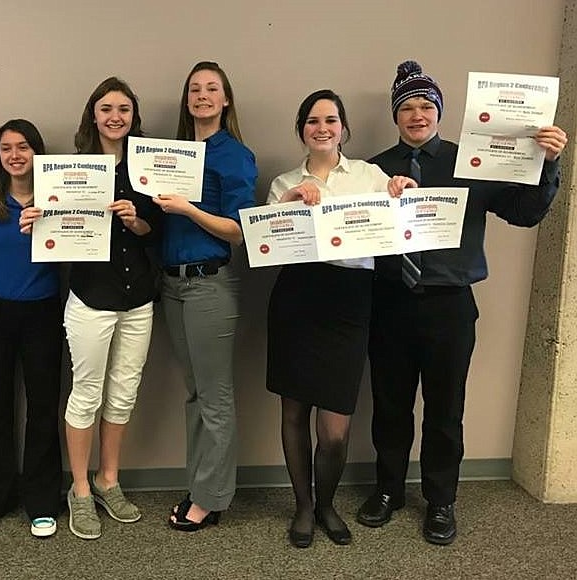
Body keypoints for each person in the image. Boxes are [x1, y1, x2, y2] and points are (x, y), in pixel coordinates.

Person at [357, 60, 568, 545]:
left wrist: (547, 163)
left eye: (425, 105)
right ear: (395, 116)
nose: (417, 114)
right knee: (389, 404)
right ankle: (388, 491)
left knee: (445, 406)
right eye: (406, 107)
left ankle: (441, 501)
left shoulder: (471, 161)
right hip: (388, 301)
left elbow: (522, 212)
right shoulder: (371, 170)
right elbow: (351, 230)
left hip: (449, 304)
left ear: (439, 112)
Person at [20, 77, 161, 540]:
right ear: (93, 116)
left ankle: (108, 480)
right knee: (87, 393)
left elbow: (155, 232)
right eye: (106, 109)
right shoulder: (69, 170)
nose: (115, 116)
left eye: (123, 109)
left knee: (124, 393)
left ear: (133, 117)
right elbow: (57, 234)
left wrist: (135, 219)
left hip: (138, 298)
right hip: (91, 299)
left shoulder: (149, 169)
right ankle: (79, 489)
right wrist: (37, 222)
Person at [267, 89, 403, 548]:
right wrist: (286, 203)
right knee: (293, 411)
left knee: (335, 428)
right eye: (312, 120)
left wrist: (404, 195)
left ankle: (327, 503)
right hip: (298, 297)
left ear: (344, 128)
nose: (321, 128)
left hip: (349, 301)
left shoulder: (369, 175)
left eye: (330, 120)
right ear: (301, 129)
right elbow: (266, 245)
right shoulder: (284, 180)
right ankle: (304, 508)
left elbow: (397, 228)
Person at [153, 61, 257, 531]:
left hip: (209, 286)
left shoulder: (233, 155)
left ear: (226, 99)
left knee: (215, 397)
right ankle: (201, 484)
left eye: (212, 88)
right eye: (194, 89)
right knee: (195, 393)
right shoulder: (171, 154)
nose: (202, 95)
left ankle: (212, 499)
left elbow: (238, 231)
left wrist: (187, 209)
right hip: (172, 286)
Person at [0, 119, 63, 539]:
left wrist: (52, 227)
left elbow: (78, 248)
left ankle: (42, 500)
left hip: (43, 311)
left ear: (37, 152)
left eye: (24, 146)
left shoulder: (58, 196)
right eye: (7, 148)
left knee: (42, 409)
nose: (16, 155)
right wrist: (2, 269)